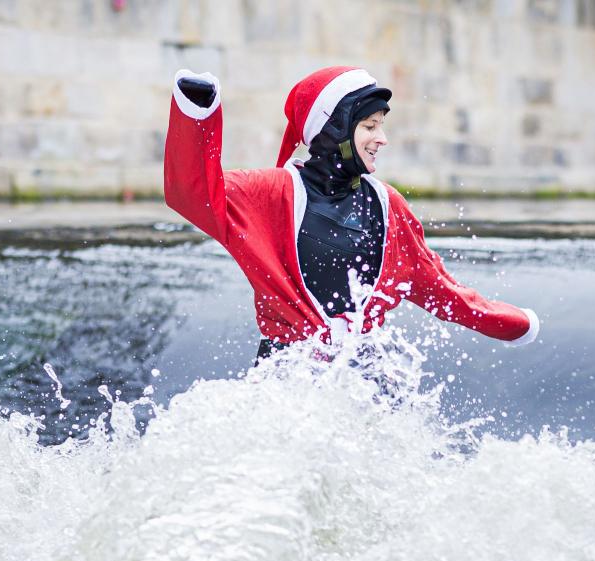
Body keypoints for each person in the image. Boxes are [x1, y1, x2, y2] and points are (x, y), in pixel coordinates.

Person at [164, 66, 539, 361]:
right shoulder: (271, 194)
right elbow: (193, 193)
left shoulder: (388, 205)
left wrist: (511, 324)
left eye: (382, 126)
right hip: (287, 379)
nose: (382, 138)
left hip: (366, 377)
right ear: (333, 129)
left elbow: (437, 286)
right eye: (369, 126)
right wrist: (198, 114)